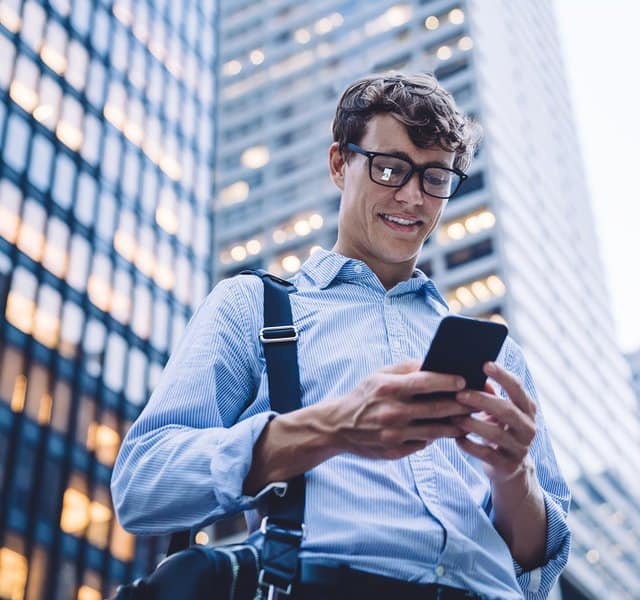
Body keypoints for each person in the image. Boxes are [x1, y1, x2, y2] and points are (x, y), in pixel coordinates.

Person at [112, 72, 571, 600]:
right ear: (339, 164)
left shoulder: (499, 354)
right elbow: (143, 485)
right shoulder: (253, 306)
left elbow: (538, 572)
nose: (413, 197)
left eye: (435, 178)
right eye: (390, 168)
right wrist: (333, 427)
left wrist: (514, 474)